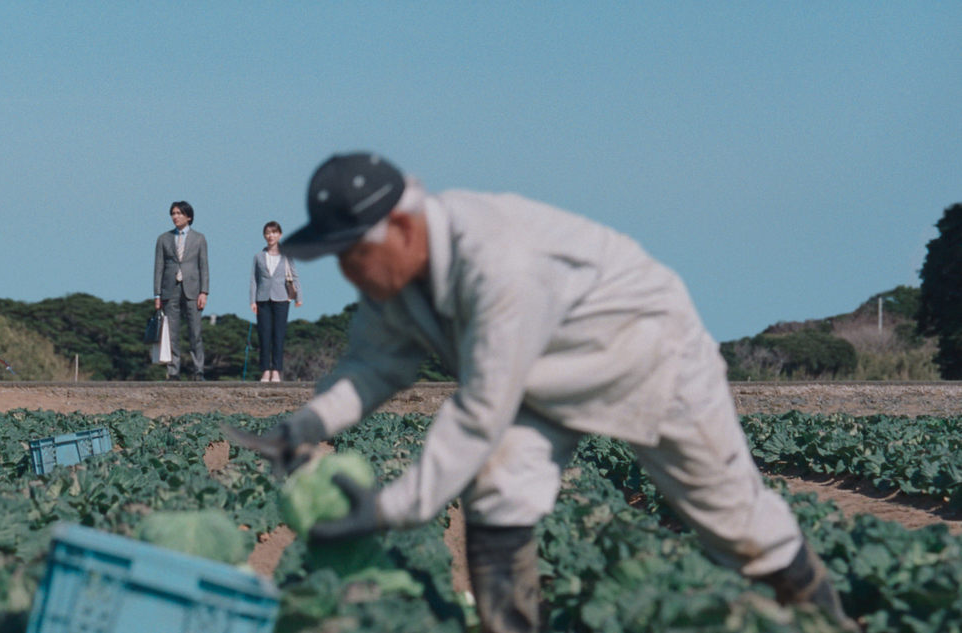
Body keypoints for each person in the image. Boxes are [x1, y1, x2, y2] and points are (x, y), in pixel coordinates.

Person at [239, 152, 858, 632]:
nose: (347, 273)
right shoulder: (395, 277)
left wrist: (389, 509)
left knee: (736, 519)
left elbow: (480, 411)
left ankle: (825, 620)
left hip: (645, 356)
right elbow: (372, 366)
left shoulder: (499, 261)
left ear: (401, 225)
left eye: (351, 256)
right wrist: (306, 424)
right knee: (499, 495)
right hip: (539, 381)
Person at [153, 201, 209, 381]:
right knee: (172, 333)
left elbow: (204, 267)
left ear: (188, 217)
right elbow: (158, 267)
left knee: (195, 332)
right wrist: (157, 294)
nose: (175, 216)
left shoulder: (199, 238)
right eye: (173, 213)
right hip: (170, 289)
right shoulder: (163, 238)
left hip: (192, 289)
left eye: (179, 213)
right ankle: (173, 370)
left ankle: (198, 369)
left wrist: (204, 292)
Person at [249, 220, 303, 382]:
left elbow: (294, 276)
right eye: (267, 232)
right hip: (263, 299)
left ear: (279, 235)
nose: (270, 236)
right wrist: (252, 300)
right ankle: (265, 370)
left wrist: (298, 297)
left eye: (273, 232)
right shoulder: (258, 256)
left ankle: (276, 371)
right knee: (264, 336)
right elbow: (254, 279)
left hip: (282, 298)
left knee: (278, 336)